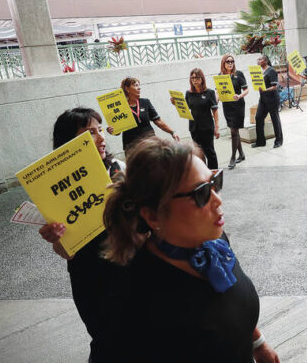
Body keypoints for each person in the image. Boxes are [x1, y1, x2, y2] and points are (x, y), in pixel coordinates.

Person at [99, 138, 280, 362]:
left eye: (215, 182)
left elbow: (231, 303)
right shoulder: (137, 300)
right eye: (201, 194)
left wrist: (258, 343)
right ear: (153, 214)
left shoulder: (214, 241)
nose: (217, 200)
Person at [38, 107, 126, 361]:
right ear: (69, 143)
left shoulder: (119, 168)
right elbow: (66, 251)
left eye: (100, 130)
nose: (101, 138)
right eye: (90, 133)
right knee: (105, 339)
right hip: (90, 277)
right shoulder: (53, 187)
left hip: (128, 265)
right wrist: (56, 238)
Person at [107, 76, 179, 151]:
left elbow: (158, 120)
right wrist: (113, 130)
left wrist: (172, 132)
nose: (139, 88)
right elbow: (117, 132)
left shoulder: (145, 102)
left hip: (150, 143)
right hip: (132, 147)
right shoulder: (120, 106)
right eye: (135, 85)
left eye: (139, 85)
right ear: (127, 88)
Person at [185, 68, 220, 169]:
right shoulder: (188, 93)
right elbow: (185, 108)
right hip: (194, 127)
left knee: (210, 152)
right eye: (192, 78)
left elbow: (215, 110)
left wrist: (216, 127)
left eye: (197, 77)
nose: (194, 80)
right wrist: (176, 103)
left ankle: (214, 175)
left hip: (207, 127)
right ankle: (203, 173)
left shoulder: (209, 93)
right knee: (198, 153)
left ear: (202, 78)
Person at [218, 54, 248, 169]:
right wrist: (214, 103)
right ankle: (242, 154)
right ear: (223, 63)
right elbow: (218, 92)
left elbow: (246, 89)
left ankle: (233, 157)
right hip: (227, 107)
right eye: (228, 61)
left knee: (234, 131)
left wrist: (239, 96)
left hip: (238, 106)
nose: (230, 63)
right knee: (234, 130)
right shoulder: (220, 76)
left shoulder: (238, 74)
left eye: (232, 61)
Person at [252, 55, 283, 148]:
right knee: (258, 117)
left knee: (275, 119)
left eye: (260, 59)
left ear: (265, 61)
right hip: (263, 99)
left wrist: (264, 89)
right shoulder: (258, 71)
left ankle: (279, 140)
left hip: (272, 98)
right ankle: (261, 141)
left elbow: (275, 86)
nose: (258, 60)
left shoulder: (271, 71)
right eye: (258, 59)